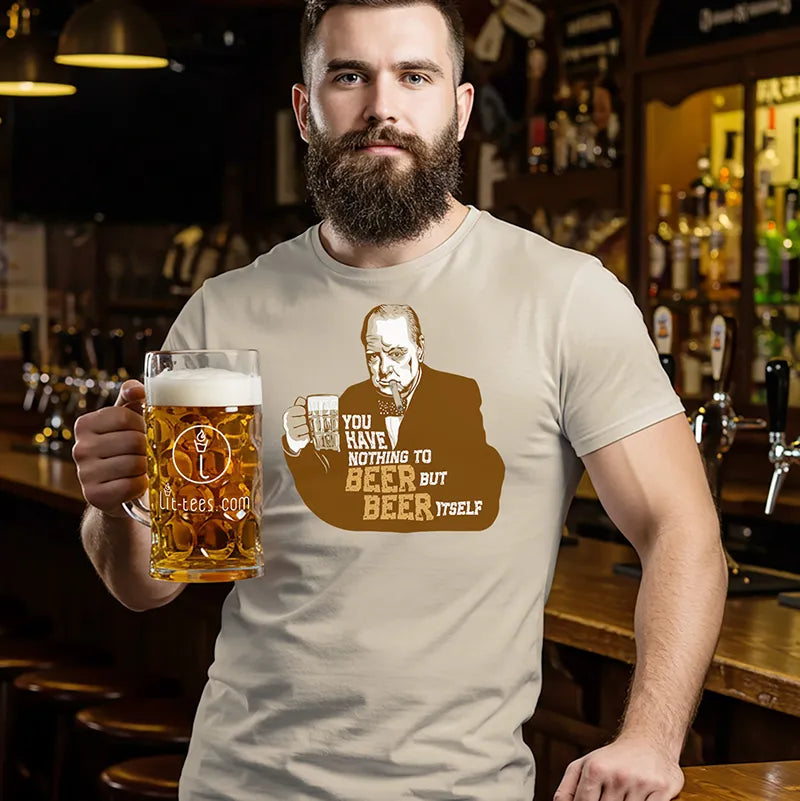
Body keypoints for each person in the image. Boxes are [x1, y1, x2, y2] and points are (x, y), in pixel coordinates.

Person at [72, 0, 728, 799]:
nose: (382, 106)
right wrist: (117, 506)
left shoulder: (565, 298)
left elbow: (682, 527)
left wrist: (652, 738)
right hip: (241, 781)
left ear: (460, 108)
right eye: (350, 76)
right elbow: (153, 582)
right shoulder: (224, 313)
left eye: (414, 76)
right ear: (305, 110)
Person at [282, 303, 505, 531]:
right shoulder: (353, 399)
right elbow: (331, 490)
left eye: (396, 354)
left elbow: (474, 489)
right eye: (373, 357)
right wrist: (297, 444)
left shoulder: (457, 393)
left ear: (419, 348)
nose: (383, 369)